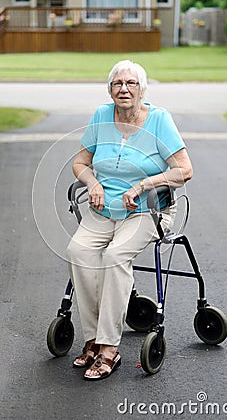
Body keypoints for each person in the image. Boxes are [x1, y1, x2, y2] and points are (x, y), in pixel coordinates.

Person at [66, 60, 193, 381]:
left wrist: (143, 184)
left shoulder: (159, 120)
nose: (124, 89)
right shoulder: (101, 116)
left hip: (148, 210)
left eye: (131, 84)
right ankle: (92, 338)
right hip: (105, 208)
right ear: (110, 90)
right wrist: (93, 184)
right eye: (117, 84)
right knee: (78, 252)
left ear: (142, 90)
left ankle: (109, 347)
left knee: (114, 256)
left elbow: (184, 170)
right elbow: (81, 162)